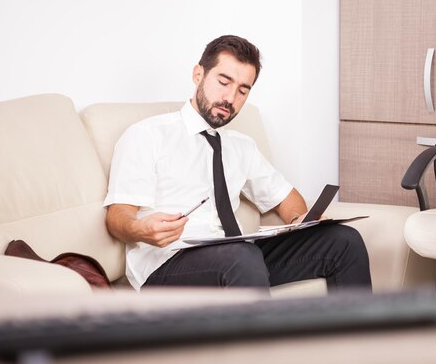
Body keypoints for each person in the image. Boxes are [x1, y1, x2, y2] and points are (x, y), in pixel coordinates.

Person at [104, 35, 372, 292]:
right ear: (198, 74)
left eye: (243, 90)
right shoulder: (148, 134)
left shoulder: (241, 146)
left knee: (343, 241)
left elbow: (286, 196)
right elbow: (118, 216)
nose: (231, 98)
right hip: (168, 262)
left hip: (238, 256)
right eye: (224, 81)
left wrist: (297, 218)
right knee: (241, 256)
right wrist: (141, 229)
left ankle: (360, 339)